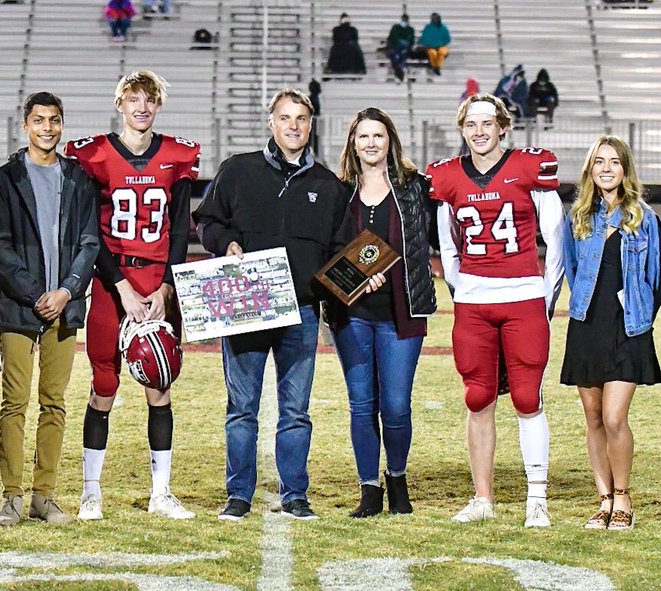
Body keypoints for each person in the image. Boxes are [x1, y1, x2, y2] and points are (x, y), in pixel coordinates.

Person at [194, 88, 350, 521]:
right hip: (246, 304)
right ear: (271, 122)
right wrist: (224, 244)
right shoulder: (237, 170)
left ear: (311, 123)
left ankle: (295, 493)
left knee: (296, 411)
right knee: (241, 407)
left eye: (301, 118)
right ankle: (238, 494)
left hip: (300, 310)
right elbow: (206, 220)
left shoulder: (328, 185)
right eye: (285, 118)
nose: (293, 126)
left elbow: (340, 250)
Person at [64, 71, 200, 522]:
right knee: (104, 385)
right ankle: (91, 492)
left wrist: (166, 286)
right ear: (120, 103)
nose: (141, 108)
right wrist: (120, 285)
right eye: (133, 99)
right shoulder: (95, 155)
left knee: (160, 385)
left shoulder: (176, 155)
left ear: (158, 105)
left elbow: (181, 227)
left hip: (158, 283)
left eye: (149, 100)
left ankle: (161, 493)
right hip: (110, 283)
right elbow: (88, 231)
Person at [429, 94, 565, 527]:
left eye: (488, 123)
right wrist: (462, 287)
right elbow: (446, 244)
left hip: (523, 293)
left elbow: (555, 237)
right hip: (473, 300)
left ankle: (536, 499)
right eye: (472, 124)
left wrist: (545, 295)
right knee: (478, 397)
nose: (480, 132)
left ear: (503, 127)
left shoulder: (529, 167)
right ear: (463, 128)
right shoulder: (448, 176)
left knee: (527, 397)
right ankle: (482, 498)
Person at [0, 92, 101, 527]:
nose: (47, 128)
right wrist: (39, 293)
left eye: (54, 120)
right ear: (25, 126)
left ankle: (44, 495)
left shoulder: (78, 177)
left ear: (62, 124)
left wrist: (67, 291)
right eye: (39, 121)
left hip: (65, 309)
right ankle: (12, 497)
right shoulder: (5, 178)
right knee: (14, 403)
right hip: (21, 307)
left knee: (54, 403)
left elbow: (90, 242)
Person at [327, 108, 437, 518]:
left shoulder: (414, 188)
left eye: (378, 135)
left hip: (401, 312)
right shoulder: (339, 191)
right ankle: (368, 490)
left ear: (390, 140)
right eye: (363, 137)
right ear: (352, 143)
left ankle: (398, 479)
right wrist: (352, 280)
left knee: (395, 405)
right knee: (361, 404)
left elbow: (436, 236)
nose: (370, 143)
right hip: (351, 314)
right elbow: (327, 250)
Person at [561, 136, 661, 531]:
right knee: (592, 418)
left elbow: (658, 279)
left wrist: (639, 317)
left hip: (628, 328)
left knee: (614, 416)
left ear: (625, 169)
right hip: (587, 324)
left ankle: (623, 497)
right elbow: (572, 270)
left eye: (614, 162)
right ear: (590, 170)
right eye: (599, 162)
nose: (606, 169)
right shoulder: (578, 218)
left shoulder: (643, 218)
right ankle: (603, 500)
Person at [386, 13, 415, 82]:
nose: (404, 21)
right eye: (403, 19)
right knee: (394, 56)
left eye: (405, 20)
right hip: (395, 47)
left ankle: (398, 74)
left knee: (402, 56)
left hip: (404, 49)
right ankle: (399, 74)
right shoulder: (395, 27)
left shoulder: (410, 29)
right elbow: (391, 38)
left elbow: (411, 41)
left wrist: (407, 46)